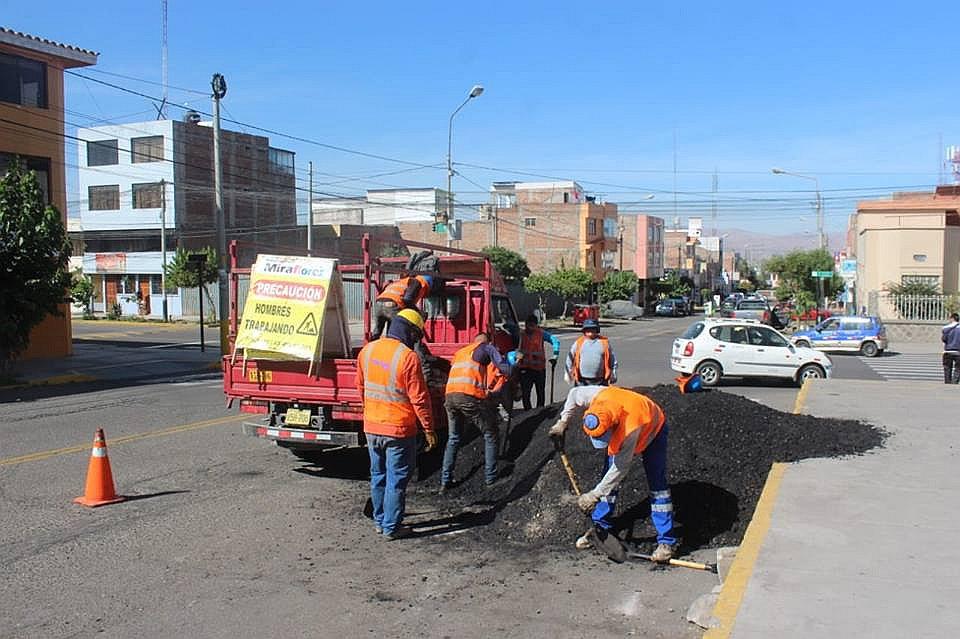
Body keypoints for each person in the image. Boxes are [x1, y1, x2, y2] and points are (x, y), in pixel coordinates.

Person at [355, 308, 438, 540]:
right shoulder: (407, 357)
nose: (417, 340)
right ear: (409, 331)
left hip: (372, 427)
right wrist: (429, 428)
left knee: (377, 475)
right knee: (396, 479)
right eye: (417, 335)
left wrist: (370, 412)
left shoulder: (367, 351)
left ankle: (381, 522)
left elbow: (360, 389)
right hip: (399, 430)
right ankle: (392, 527)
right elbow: (419, 398)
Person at [572, 386, 676, 562]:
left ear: (613, 425)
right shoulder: (594, 399)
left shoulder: (629, 429)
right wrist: (562, 422)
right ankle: (600, 529)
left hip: (653, 428)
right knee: (608, 480)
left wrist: (594, 495)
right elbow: (572, 395)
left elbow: (621, 468)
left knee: (657, 484)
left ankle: (666, 542)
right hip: (630, 421)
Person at [440, 332, 515, 490]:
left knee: (453, 438)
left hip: (450, 396)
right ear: (488, 341)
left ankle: (445, 481)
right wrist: (513, 364)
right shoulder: (487, 348)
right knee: (490, 433)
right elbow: (504, 369)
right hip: (469, 396)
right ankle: (491, 480)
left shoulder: (461, 352)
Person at [373, 274, 442, 337]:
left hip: (378, 303)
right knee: (397, 332)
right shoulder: (417, 283)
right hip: (392, 304)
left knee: (377, 332)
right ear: (427, 284)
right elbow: (407, 300)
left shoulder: (404, 281)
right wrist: (419, 313)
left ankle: (371, 348)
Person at [517, 314, 561, 409]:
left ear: (536, 325)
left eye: (532, 325)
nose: (529, 328)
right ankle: (528, 413)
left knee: (540, 392)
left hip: (539, 369)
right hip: (525, 369)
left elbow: (555, 341)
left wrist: (555, 355)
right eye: (528, 325)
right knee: (526, 393)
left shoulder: (541, 334)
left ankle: (539, 412)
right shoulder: (522, 334)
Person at [564, 319, 617, 386]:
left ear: (597, 330)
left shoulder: (604, 342)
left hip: (600, 380)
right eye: (588, 329)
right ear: (584, 331)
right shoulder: (579, 342)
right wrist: (567, 372)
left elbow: (612, 359)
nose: (590, 331)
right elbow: (570, 358)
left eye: (593, 329)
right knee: (582, 396)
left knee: (598, 396)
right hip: (582, 380)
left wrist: (613, 372)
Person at [943, 312, 960, 384]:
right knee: (958, 368)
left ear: (952, 318)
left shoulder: (945, 328)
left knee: (947, 368)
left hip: (947, 351)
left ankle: (947, 382)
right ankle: (954, 382)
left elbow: (944, 339)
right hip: (958, 352)